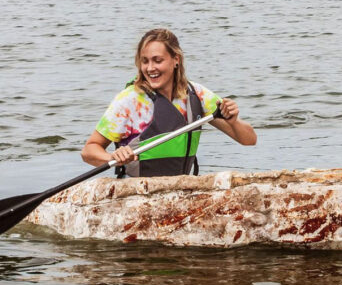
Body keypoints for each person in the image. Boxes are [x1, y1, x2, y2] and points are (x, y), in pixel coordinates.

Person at [81, 28, 256, 177]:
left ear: (176, 60)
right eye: (145, 61)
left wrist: (233, 121)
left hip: (180, 189)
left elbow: (249, 140)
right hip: (137, 192)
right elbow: (89, 151)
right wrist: (113, 157)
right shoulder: (129, 101)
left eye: (158, 60)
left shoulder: (197, 95)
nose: (150, 68)